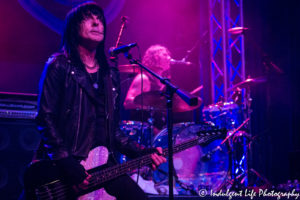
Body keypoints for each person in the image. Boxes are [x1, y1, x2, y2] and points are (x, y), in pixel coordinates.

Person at [32, 2, 165, 200]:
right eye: (88, 18)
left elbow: (113, 132)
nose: (96, 22)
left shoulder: (109, 74)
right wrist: (67, 163)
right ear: (73, 27)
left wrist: (142, 152)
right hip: (66, 166)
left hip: (104, 165)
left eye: (99, 19)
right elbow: (45, 118)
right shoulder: (58, 65)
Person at [123, 45, 171, 133]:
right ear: (155, 57)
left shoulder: (162, 81)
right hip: (143, 131)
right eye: (165, 55)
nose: (169, 58)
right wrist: (150, 106)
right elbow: (128, 102)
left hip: (158, 129)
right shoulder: (143, 78)